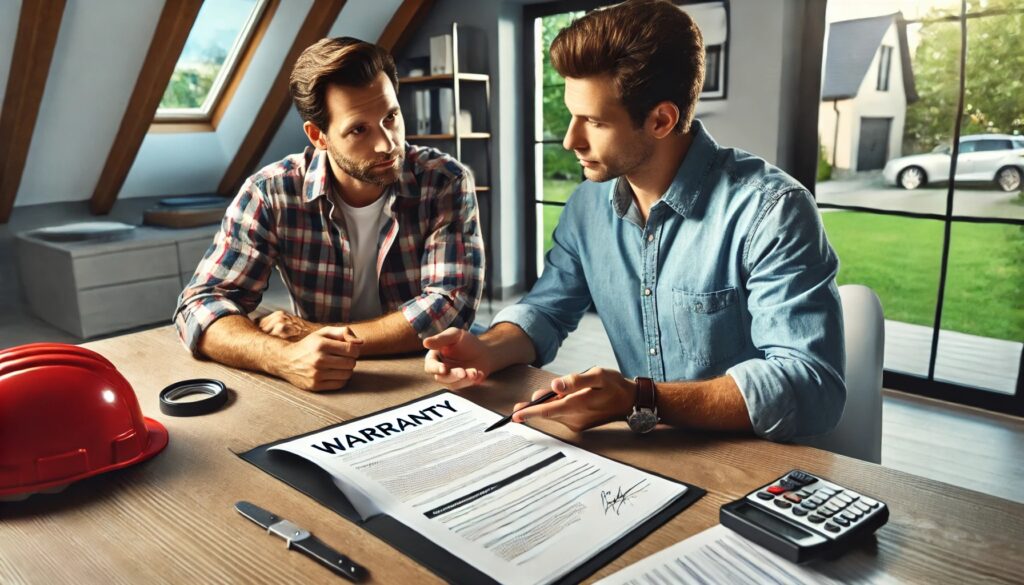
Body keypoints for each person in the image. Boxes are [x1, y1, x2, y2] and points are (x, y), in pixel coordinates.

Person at [423, 0, 844, 442]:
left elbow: (811, 387)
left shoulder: (773, 211)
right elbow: (548, 309)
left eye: (594, 121)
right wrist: (485, 349)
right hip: (650, 448)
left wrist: (641, 398)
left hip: (755, 459)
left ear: (661, 119)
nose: (570, 139)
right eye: (572, 115)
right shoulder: (588, 205)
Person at [175, 37, 484, 391]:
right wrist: (281, 357)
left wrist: (313, 334)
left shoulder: (444, 181)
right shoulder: (271, 192)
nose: (387, 143)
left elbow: (450, 307)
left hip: (425, 373)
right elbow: (199, 306)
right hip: (321, 379)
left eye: (391, 116)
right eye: (358, 130)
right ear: (318, 136)